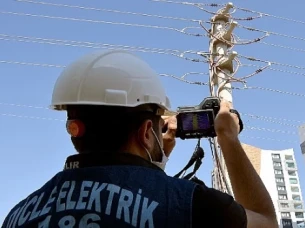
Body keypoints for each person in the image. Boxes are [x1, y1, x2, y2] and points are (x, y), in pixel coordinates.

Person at [2, 50, 277, 228]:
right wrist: (228, 138)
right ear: (146, 132)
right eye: (157, 128)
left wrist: (155, 164)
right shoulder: (192, 204)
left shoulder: (18, 215)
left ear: (74, 127)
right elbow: (265, 221)